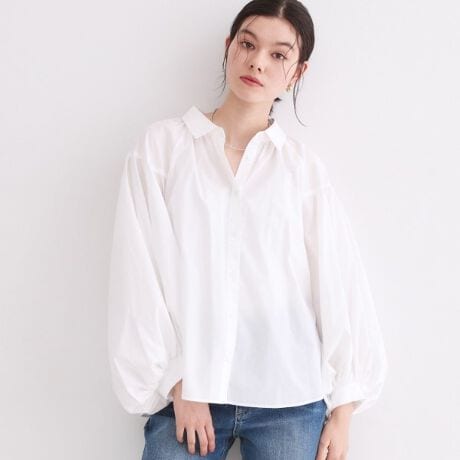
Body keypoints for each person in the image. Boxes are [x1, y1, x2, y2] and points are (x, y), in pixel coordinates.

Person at [107, 1, 388, 459]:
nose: (257, 62)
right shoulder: (163, 149)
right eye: (248, 44)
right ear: (229, 47)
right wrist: (180, 381)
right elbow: (139, 271)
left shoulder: (300, 168)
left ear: (297, 73)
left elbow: (337, 280)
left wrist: (343, 408)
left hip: (290, 398)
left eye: (278, 54)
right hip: (188, 390)